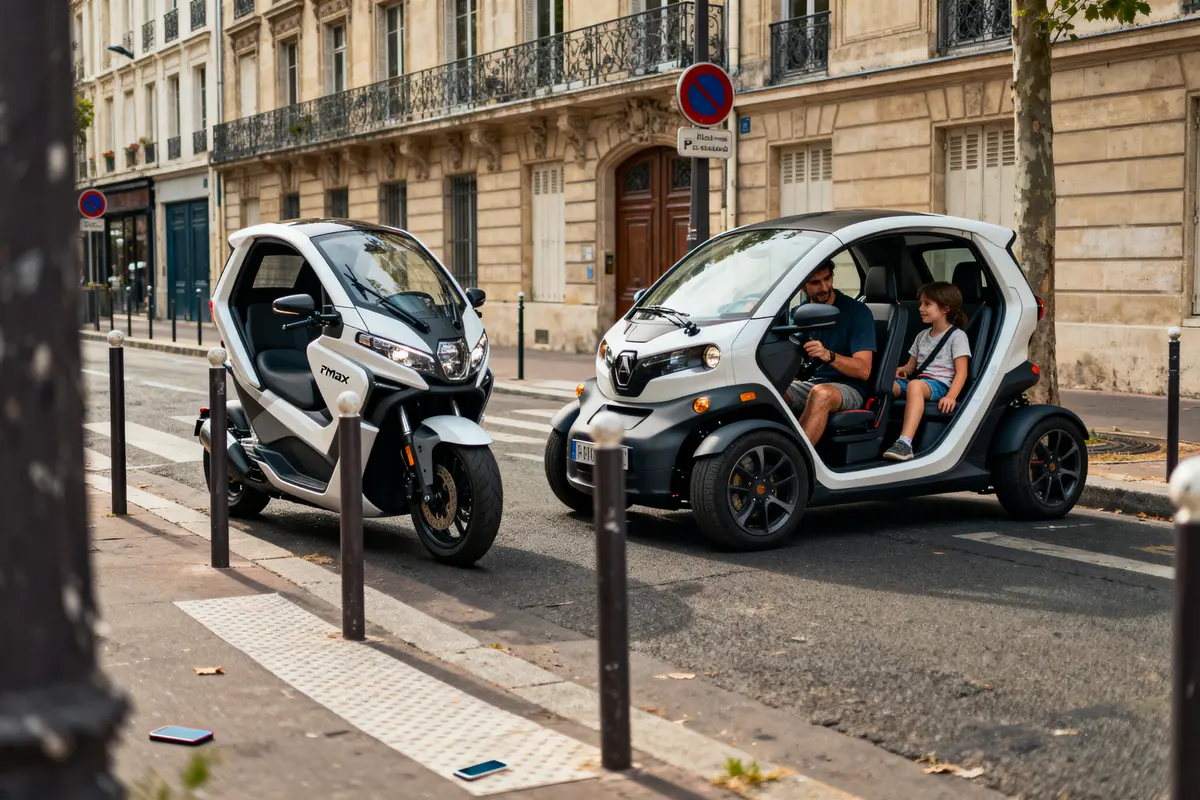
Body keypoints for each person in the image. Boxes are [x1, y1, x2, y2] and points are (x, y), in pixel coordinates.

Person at [784, 261, 876, 446]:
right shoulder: (798, 314)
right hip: (812, 382)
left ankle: (796, 460)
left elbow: (864, 370)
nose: (824, 287)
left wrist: (828, 355)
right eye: (815, 283)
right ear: (803, 285)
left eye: (827, 279)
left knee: (821, 393)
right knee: (775, 391)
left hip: (850, 388)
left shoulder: (857, 312)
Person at [883, 282, 971, 462]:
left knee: (915, 386)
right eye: (921, 304)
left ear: (945, 308)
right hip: (920, 381)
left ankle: (905, 443)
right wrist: (891, 373)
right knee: (886, 385)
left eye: (927, 304)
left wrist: (951, 397)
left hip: (940, 385)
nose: (921, 308)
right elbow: (910, 367)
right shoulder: (922, 336)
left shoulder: (957, 336)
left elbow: (962, 372)